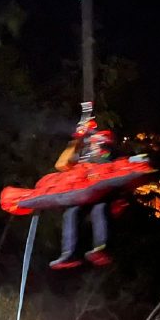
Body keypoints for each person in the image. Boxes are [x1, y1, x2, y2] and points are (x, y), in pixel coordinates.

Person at [50, 104, 115, 269]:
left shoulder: (102, 143)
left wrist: (95, 137)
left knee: (99, 208)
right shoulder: (82, 152)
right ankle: (69, 254)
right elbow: (61, 165)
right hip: (84, 191)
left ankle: (101, 248)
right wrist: (76, 140)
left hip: (102, 188)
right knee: (71, 213)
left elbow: (107, 153)